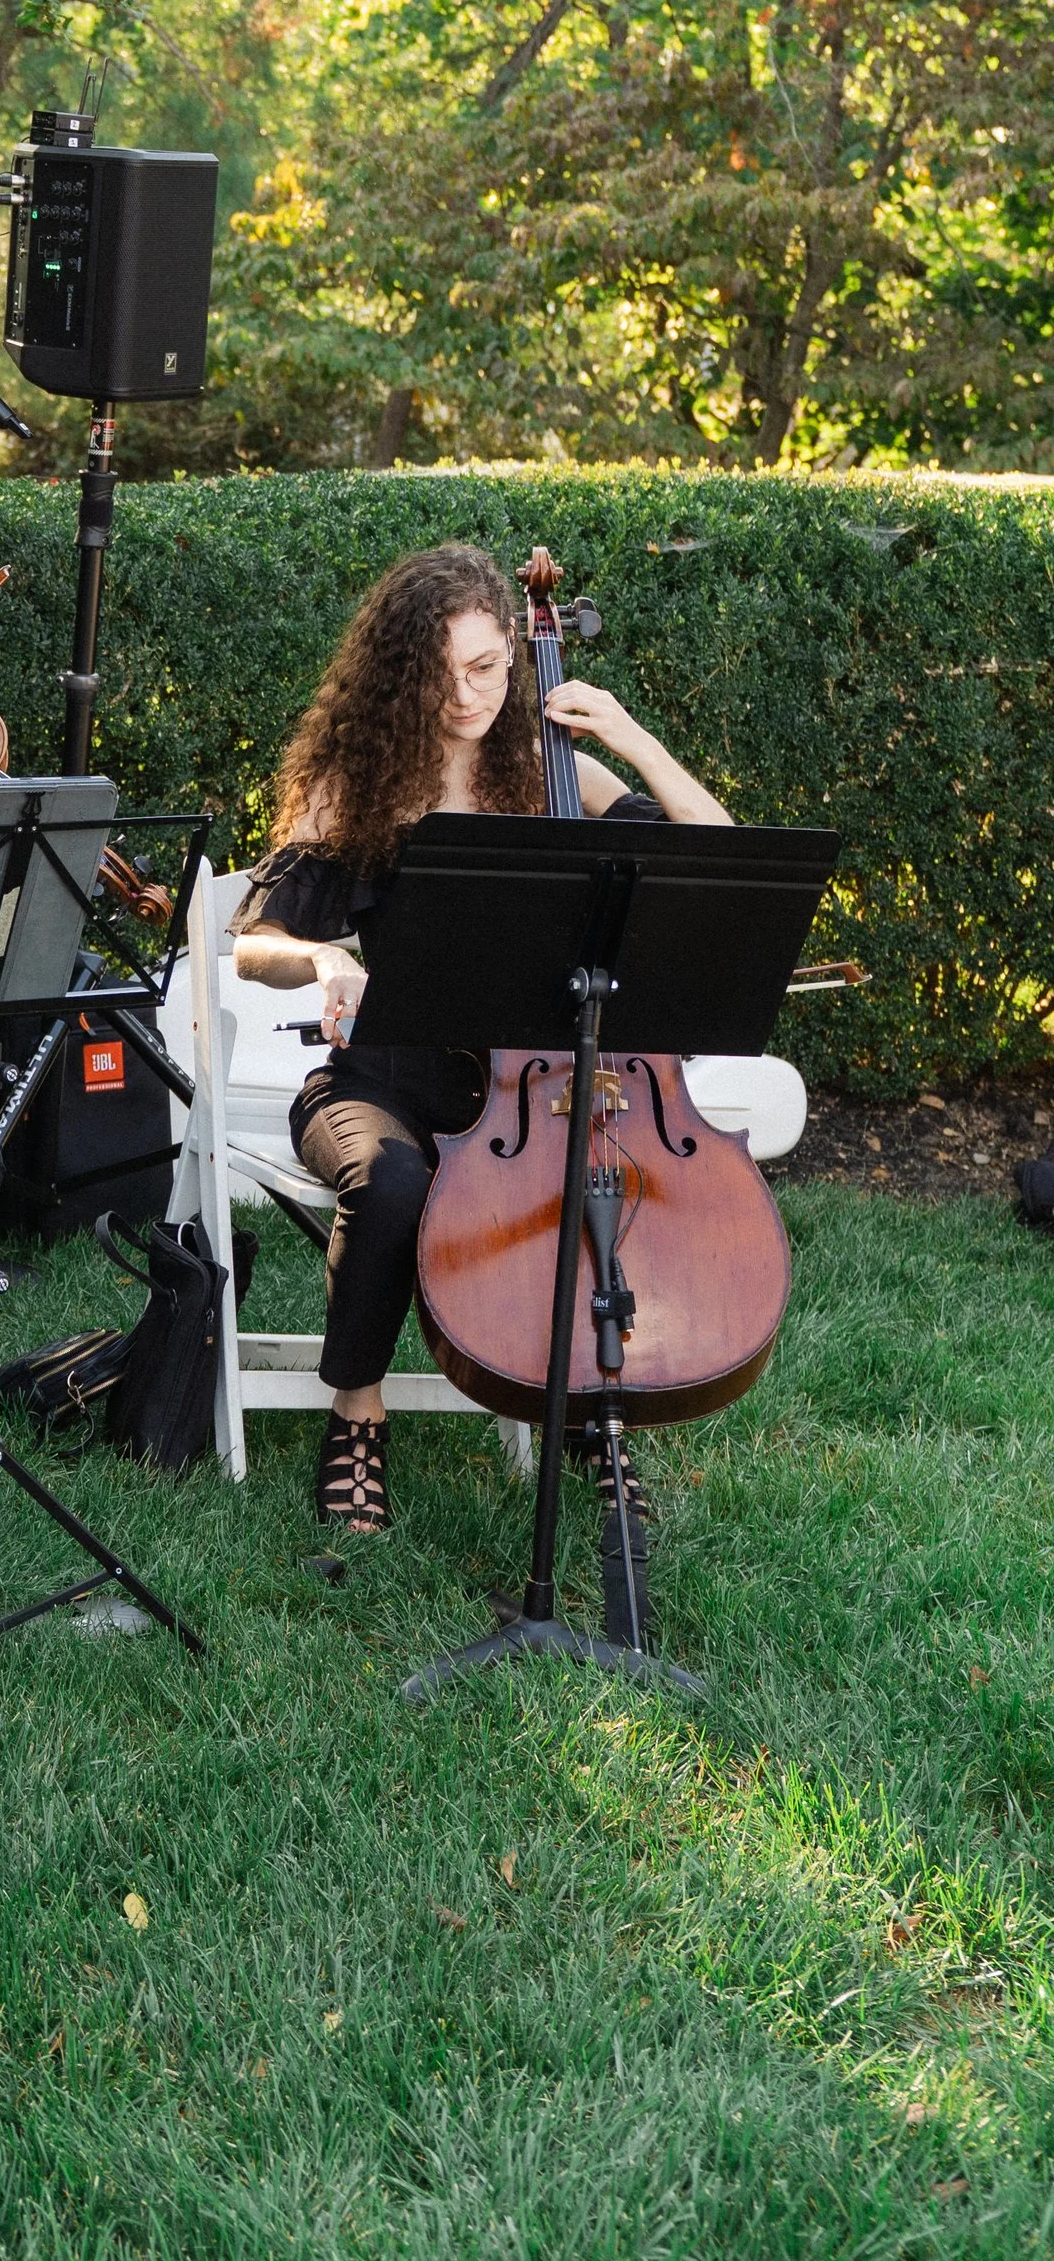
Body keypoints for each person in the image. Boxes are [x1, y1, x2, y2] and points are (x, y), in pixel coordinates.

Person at [232, 541, 729, 1539]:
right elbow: (252, 943)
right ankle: (357, 1414)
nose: (465, 696)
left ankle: (590, 1417)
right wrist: (324, 962)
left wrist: (634, 740)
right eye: (439, 674)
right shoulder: (357, 784)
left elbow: (717, 857)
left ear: (513, 650)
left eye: (486, 668)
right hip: (380, 1082)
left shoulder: (552, 773)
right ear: (399, 673)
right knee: (392, 1184)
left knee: (585, 1184)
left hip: (537, 1088)